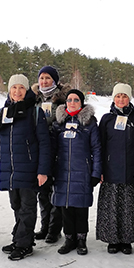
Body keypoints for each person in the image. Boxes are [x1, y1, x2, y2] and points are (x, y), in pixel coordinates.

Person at [0, 74, 51, 261]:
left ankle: (24, 245)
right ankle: (21, 238)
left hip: (29, 170)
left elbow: (45, 144)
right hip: (9, 170)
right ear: (9, 91)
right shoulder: (3, 112)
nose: (17, 91)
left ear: (26, 90)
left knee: (27, 208)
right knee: (16, 206)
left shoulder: (35, 112)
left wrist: (43, 171)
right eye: (14, 88)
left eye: (21, 88)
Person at [96, 83, 134, 254]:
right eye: (118, 96)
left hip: (132, 172)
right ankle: (112, 240)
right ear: (113, 98)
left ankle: (126, 240)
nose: (121, 99)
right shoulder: (106, 119)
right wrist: (100, 170)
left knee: (129, 208)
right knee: (111, 207)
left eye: (124, 96)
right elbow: (99, 146)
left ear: (129, 98)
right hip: (110, 172)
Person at [51, 89, 102, 255]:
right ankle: (69, 239)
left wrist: (96, 172)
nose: (72, 103)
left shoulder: (90, 122)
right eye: (70, 100)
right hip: (62, 172)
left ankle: (81, 240)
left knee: (80, 208)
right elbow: (51, 148)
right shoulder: (58, 122)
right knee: (65, 208)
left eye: (76, 100)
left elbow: (97, 149)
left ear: (82, 103)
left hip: (82, 171)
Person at [31, 66, 71, 244]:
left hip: (57, 148)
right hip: (39, 149)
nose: (44, 81)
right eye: (42, 78)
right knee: (42, 190)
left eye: (48, 78)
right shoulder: (34, 99)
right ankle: (44, 226)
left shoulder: (63, 99)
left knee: (56, 190)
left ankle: (55, 230)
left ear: (54, 80)